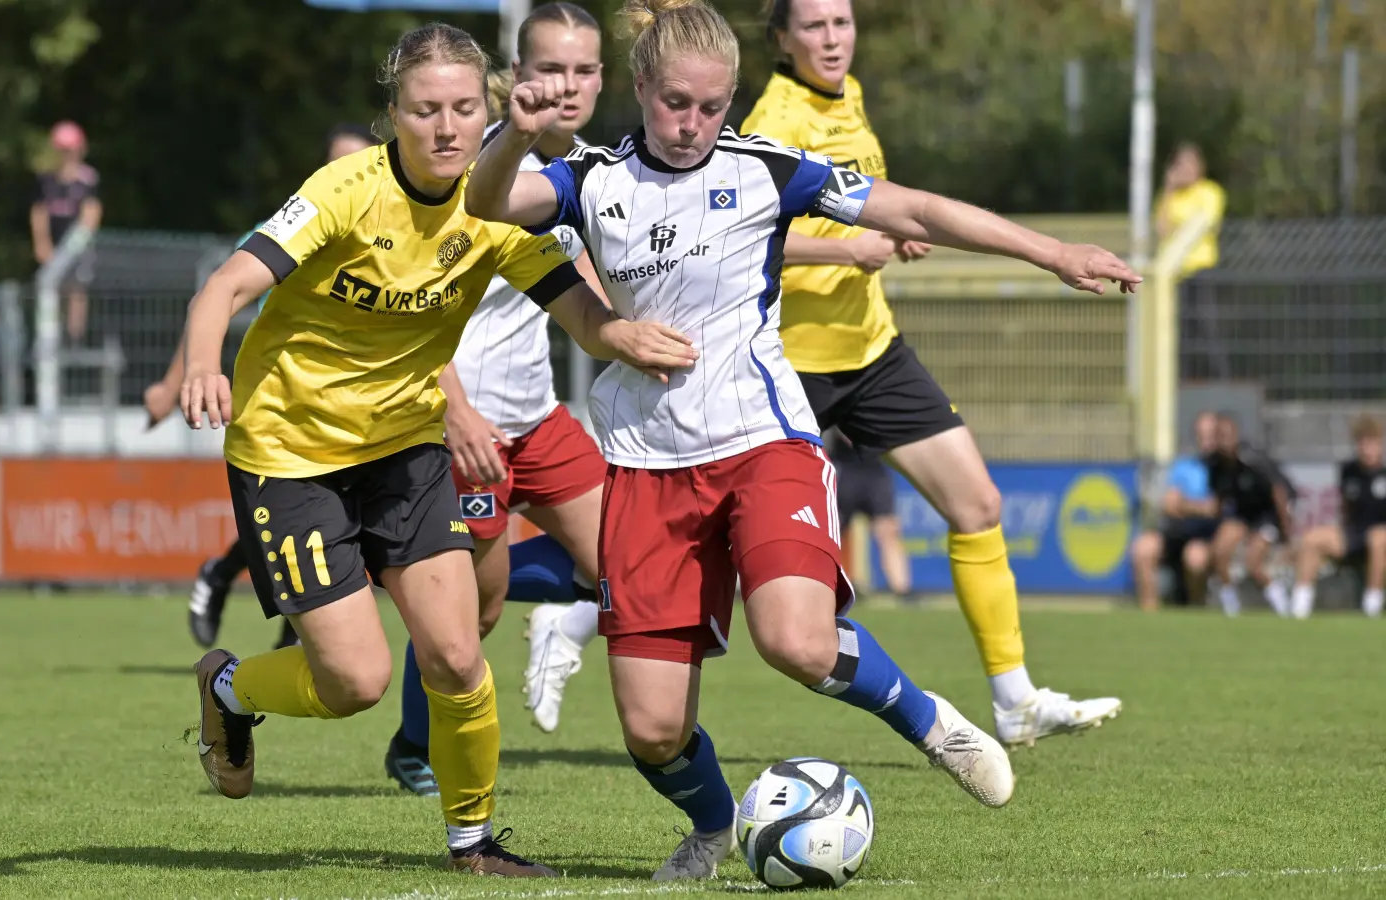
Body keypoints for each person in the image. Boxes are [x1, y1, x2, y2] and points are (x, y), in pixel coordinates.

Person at [467, 0, 1140, 877]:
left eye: (712, 106)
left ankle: (930, 722)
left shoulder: (767, 170)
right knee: (653, 730)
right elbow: (484, 201)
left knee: (797, 640)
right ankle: (712, 826)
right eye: (675, 103)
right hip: (644, 464)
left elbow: (918, 210)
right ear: (640, 87)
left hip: (762, 442)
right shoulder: (590, 179)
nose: (693, 124)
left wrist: (1052, 253)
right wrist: (515, 137)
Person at [179, 22, 681, 876]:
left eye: (462, 108)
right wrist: (201, 364)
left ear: (486, 108)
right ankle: (228, 689)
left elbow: (580, 313)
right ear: (394, 115)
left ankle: (473, 842)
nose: (447, 128)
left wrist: (624, 336)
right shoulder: (344, 191)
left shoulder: (498, 208)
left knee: (455, 653)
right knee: (355, 683)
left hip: (406, 447)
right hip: (291, 453)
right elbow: (226, 284)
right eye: (425, 110)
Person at [740, 0, 1122, 747]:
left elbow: (871, 205)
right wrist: (849, 249)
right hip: (791, 363)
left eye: (842, 22)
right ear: (781, 38)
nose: (832, 38)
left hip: (871, 350)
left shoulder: (848, 96)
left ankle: (1014, 700)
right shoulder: (772, 120)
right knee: (727, 543)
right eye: (814, 26)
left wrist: (887, 234)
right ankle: (585, 612)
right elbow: (745, 236)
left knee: (977, 502)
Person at [384, 1, 611, 798]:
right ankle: (413, 747)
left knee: (628, 559)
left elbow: (586, 281)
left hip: (538, 418)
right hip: (458, 421)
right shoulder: (469, 169)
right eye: (550, 68)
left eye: (583, 70)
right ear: (517, 78)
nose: (566, 86)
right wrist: (456, 412)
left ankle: (557, 619)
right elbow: (414, 307)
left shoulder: (593, 172)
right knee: (471, 616)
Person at [153, 128, 388, 656]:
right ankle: (234, 593)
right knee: (315, 530)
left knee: (341, 531)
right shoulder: (285, 229)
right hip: (283, 412)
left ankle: (251, 607)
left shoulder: (392, 238)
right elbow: (216, 298)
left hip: (357, 413)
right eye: (337, 163)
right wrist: (178, 380)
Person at [1290, 416, 1386, 618]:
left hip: (1380, 540)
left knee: (1378, 538)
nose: (1367, 449)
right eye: (1362, 443)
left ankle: (1372, 605)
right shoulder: (1349, 471)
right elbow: (1346, 509)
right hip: (1355, 535)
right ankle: (1299, 607)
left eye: (1372, 443)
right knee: (1311, 539)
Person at [1131, 411, 1220, 610]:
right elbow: (1170, 505)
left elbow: (1214, 509)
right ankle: (1150, 615)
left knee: (1195, 558)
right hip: (1175, 532)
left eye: (1211, 435)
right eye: (1202, 435)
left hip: (1204, 538)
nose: (1207, 441)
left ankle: (1195, 610)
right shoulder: (1185, 466)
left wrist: (1185, 505)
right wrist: (1198, 506)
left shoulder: (1224, 470)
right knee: (1142, 549)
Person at [1207, 413, 1293, 616]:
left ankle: (1280, 602)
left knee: (1253, 562)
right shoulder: (1216, 465)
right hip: (1243, 515)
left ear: (1236, 435)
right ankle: (1230, 603)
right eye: (1219, 436)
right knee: (1220, 550)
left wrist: (1285, 531)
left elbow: (1279, 492)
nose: (1223, 441)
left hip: (1267, 515)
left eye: (1227, 435)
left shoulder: (1253, 460)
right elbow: (1219, 499)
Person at [31, 120, 102, 342]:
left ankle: (74, 340)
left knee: (77, 291)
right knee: (51, 288)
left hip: (77, 245)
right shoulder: (46, 179)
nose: (67, 155)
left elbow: (91, 214)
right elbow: (39, 212)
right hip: (53, 244)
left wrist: (73, 247)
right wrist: (42, 242)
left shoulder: (88, 179)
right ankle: (52, 338)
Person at [826, 429, 911, 601]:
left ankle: (902, 590)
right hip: (844, 472)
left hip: (875, 473)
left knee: (888, 531)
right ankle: (836, 587)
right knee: (835, 533)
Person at [1155, 143, 1225, 279]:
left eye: (1191, 164)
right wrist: (1168, 189)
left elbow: (1205, 223)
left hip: (1200, 267)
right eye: (1182, 165)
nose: (1186, 170)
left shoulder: (1209, 191)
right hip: (1173, 271)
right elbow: (1162, 231)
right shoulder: (1170, 198)